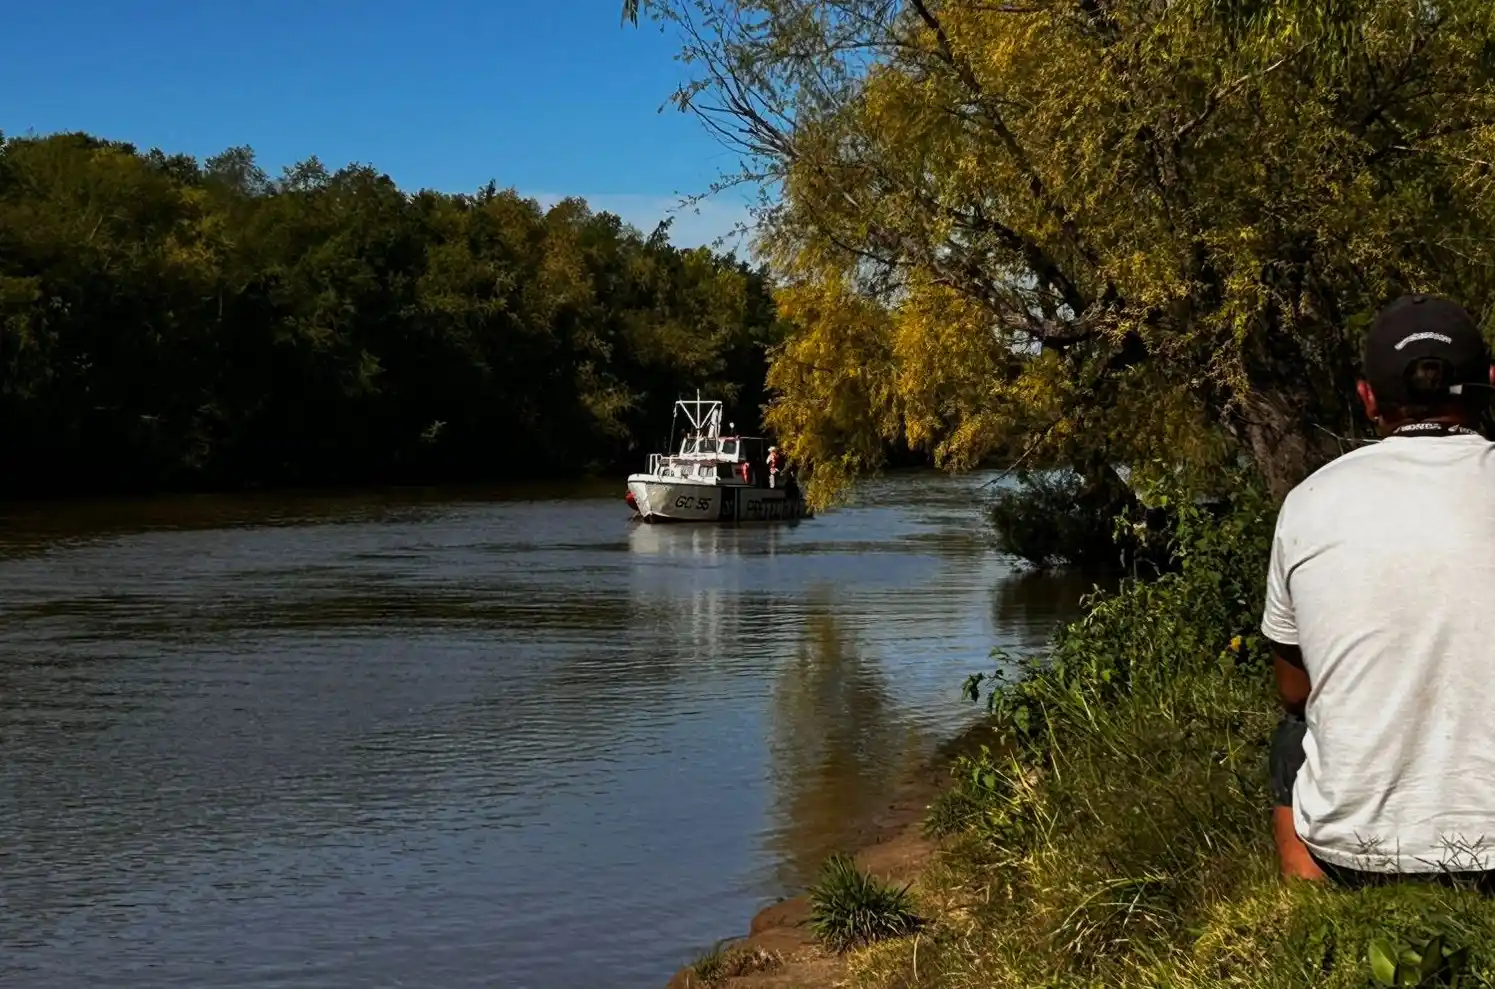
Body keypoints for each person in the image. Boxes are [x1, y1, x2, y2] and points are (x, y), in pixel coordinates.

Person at [1264, 293, 1495, 889]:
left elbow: (1294, 690)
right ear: (1490, 382)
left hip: (1359, 859)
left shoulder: (1309, 502)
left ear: (1368, 397)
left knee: (1294, 733)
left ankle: (1310, 901)